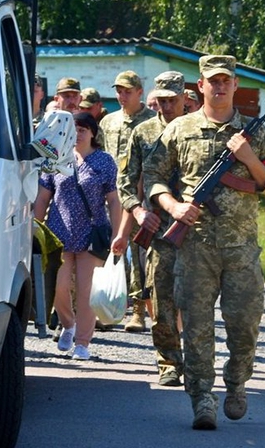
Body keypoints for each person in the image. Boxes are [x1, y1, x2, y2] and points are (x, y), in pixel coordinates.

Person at [143, 55, 265, 430]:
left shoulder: (254, 132)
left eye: (226, 80)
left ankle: (236, 381)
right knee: (198, 327)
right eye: (212, 81)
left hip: (240, 248)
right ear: (199, 87)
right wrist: (172, 205)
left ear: (235, 85)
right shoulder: (179, 130)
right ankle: (202, 397)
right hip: (195, 247)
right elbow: (152, 175)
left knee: (245, 323)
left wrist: (249, 158)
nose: (219, 87)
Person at [113, 71, 187, 386]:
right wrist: (139, 211)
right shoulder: (143, 133)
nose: (166, 106)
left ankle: (196, 361)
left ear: (185, 98)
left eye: (173, 101)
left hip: (197, 226)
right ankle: (168, 362)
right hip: (158, 227)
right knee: (162, 297)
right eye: (162, 100)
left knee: (196, 299)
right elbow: (125, 180)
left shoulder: (198, 129)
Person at [34, 111, 122, 361]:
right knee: (59, 287)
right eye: (73, 129)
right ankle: (68, 324)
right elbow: (42, 197)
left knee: (86, 291)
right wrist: (36, 229)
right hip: (59, 233)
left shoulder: (104, 161)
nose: (77, 134)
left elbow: (114, 201)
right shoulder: (57, 157)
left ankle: (82, 342)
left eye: (83, 129)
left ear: (93, 133)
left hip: (91, 234)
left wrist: (117, 234)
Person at [100, 70, 157, 333]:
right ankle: (110, 308)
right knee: (111, 251)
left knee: (139, 255)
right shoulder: (108, 122)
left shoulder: (152, 122)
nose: (122, 95)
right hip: (110, 196)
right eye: (118, 91)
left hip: (138, 196)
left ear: (139, 92)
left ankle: (138, 311)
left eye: (127, 91)